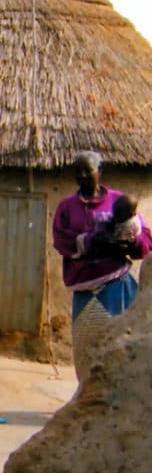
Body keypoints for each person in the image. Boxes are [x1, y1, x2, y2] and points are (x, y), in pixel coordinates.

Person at [52, 151, 151, 379]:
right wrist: (92, 240)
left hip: (118, 286)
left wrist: (128, 242)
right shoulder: (67, 208)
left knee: (119, 346)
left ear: (100, 171)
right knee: (88, 348)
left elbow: (144, 238)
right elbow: (61, 241)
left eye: (88, 170)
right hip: (85, 288)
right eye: (78, 171)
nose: (83, 175)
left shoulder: (119, 201)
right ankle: (89, 401)